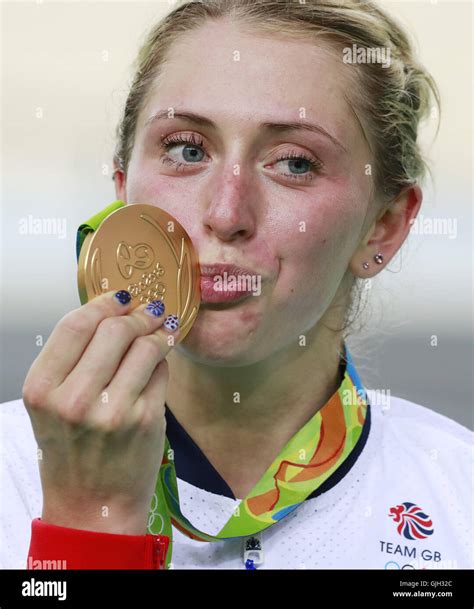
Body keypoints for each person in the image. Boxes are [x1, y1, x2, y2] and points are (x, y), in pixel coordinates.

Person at [1, 0, 472, 571]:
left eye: (294, 163)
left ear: (384, 225)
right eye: (187, 150)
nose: (226, 213)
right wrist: (88, 523)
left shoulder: (458, 499)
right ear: (125, 192)